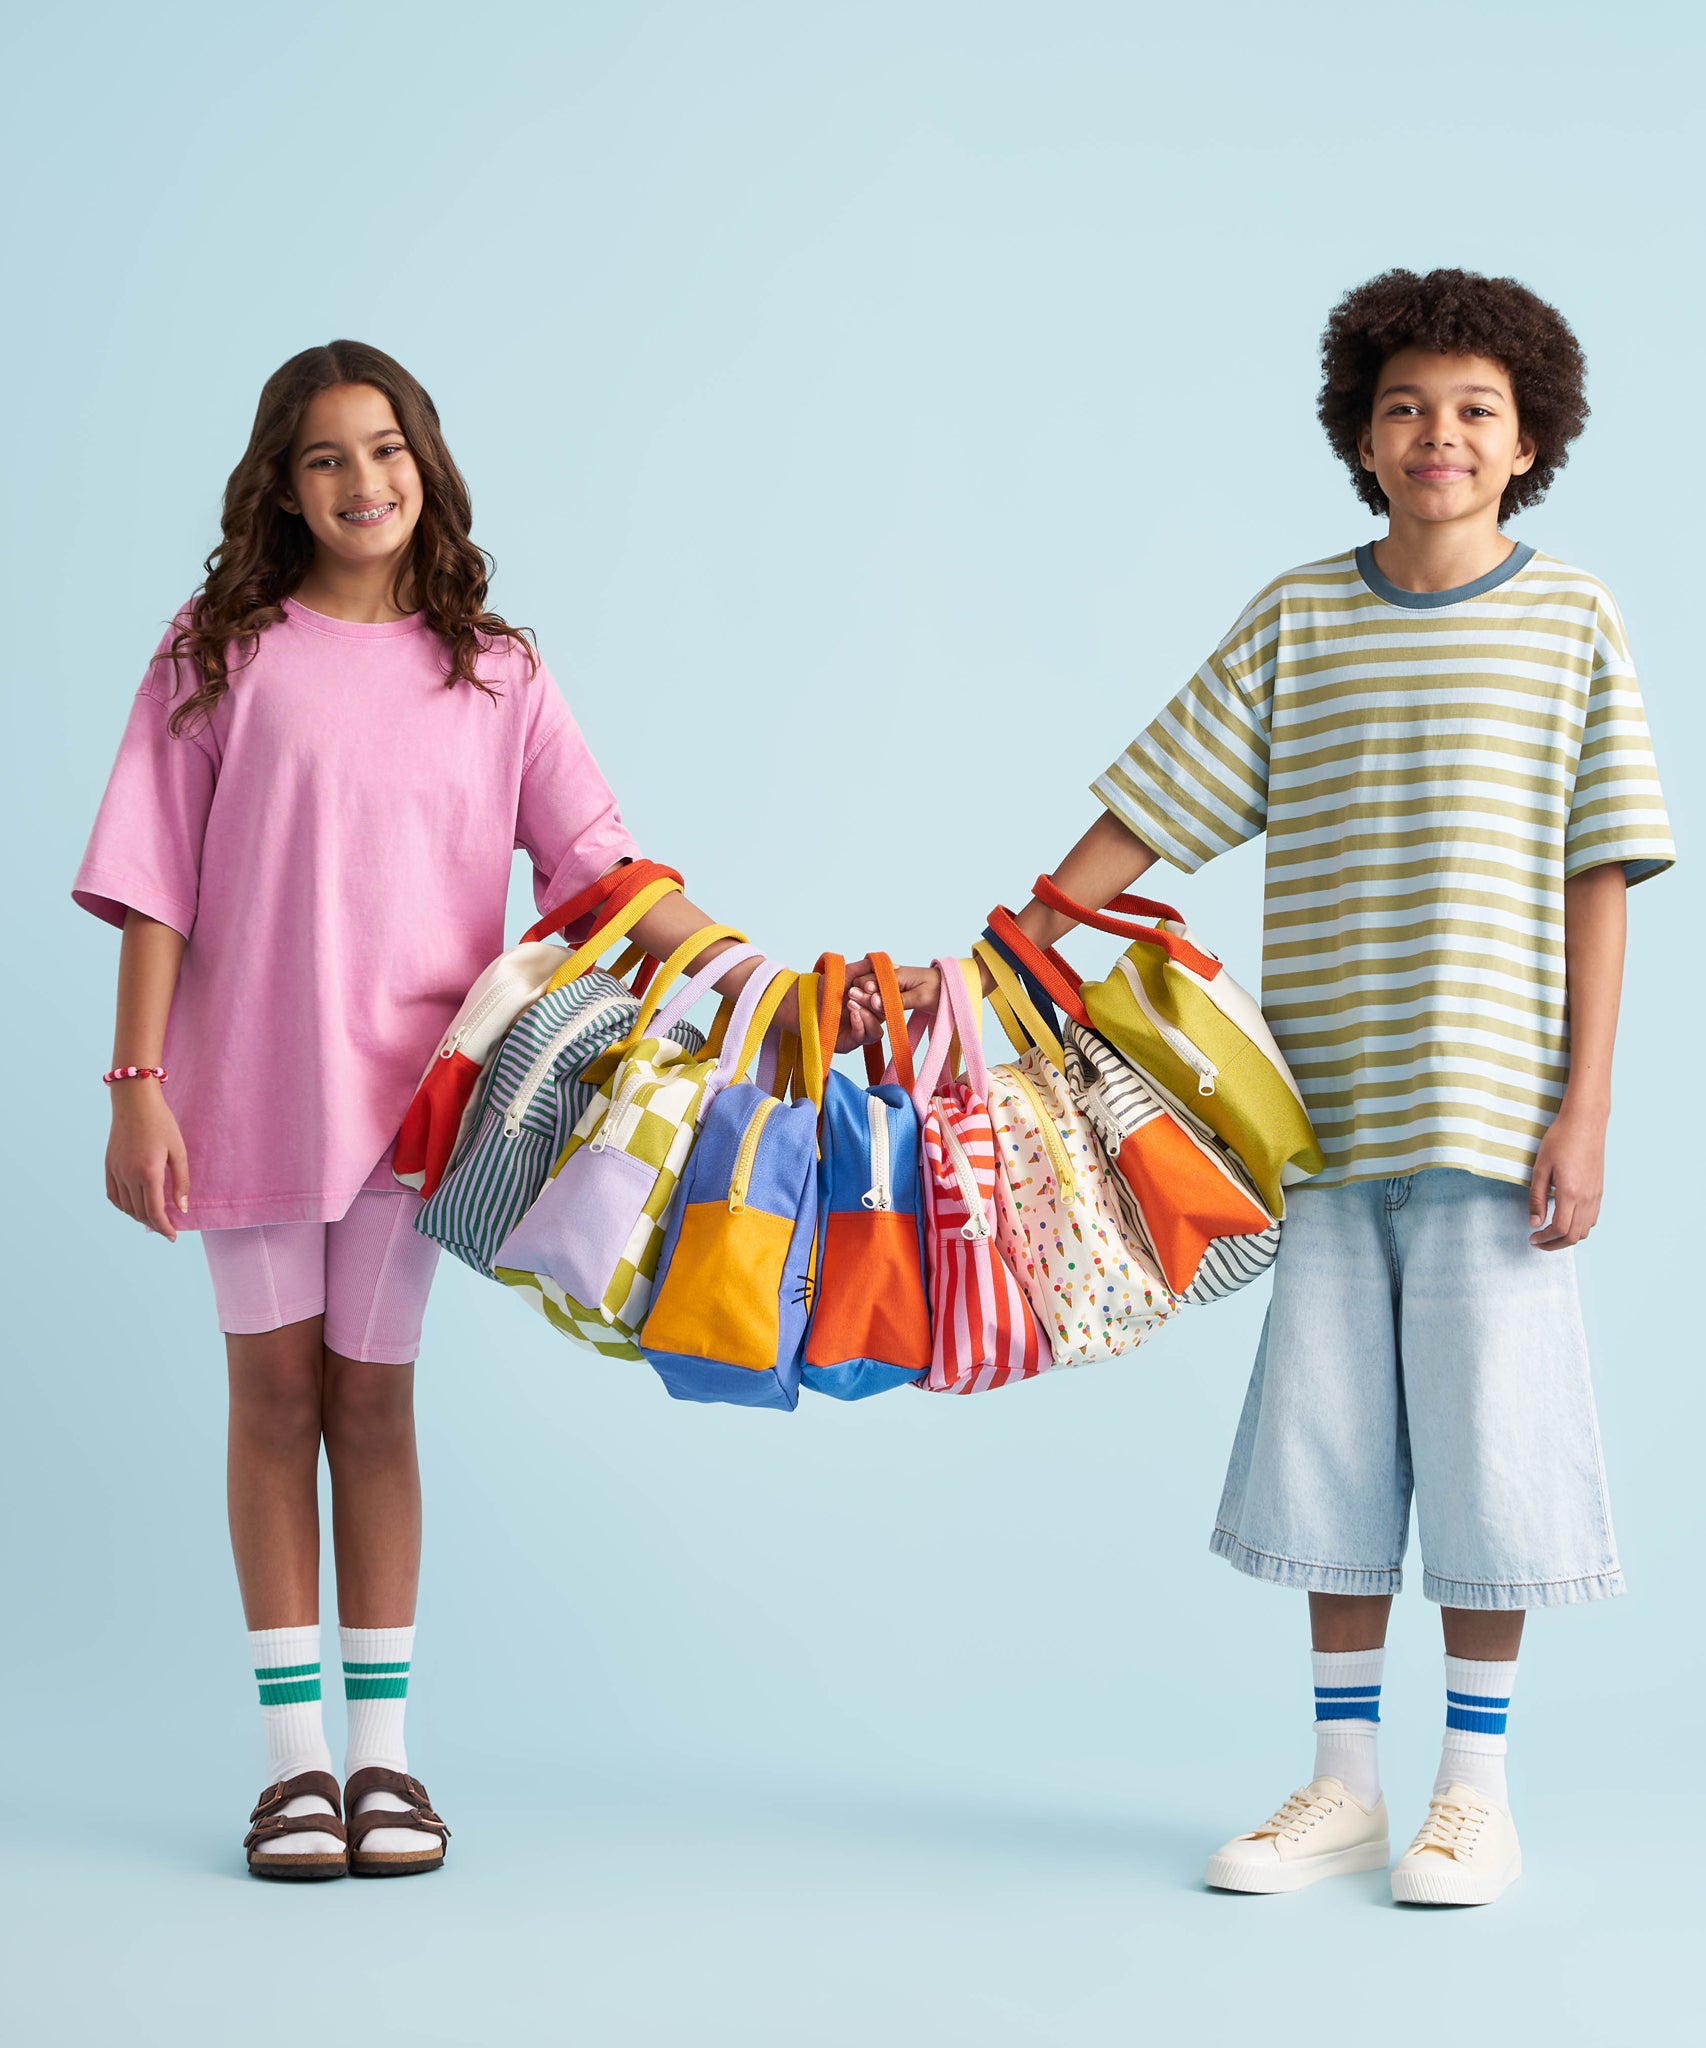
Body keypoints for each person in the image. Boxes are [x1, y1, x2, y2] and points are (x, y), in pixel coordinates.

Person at [859, 269, 1673, 1904]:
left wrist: (1586, 1109)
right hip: (1313, 1119)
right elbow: (1153, 799)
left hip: (1494, 1116)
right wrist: (1002, 953)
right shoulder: (1298, 618)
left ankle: (1474, 1791)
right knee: (1329, 1445)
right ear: (1356, 438)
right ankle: (1342, 1783)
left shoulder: (1569, 616)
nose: (1435, 434)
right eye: (1403, 408)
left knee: (1488, 1443)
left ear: (1528, 444)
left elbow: (1603, 870)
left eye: (1472, 411)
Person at [75, 340, 820, 1880]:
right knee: (272, 1405)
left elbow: (603, 868)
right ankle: (294, 1770)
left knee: (377, 1405)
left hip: (424, 1108)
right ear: (284, 486)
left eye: (387, 448)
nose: (365, 482)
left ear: (427, 462)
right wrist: (135, 1087)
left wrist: (754, 977)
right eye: (330, 458)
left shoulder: (496, 670)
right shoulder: (218, 651)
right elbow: (153, 885)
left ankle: (387, 1761)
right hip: (249, 1090)